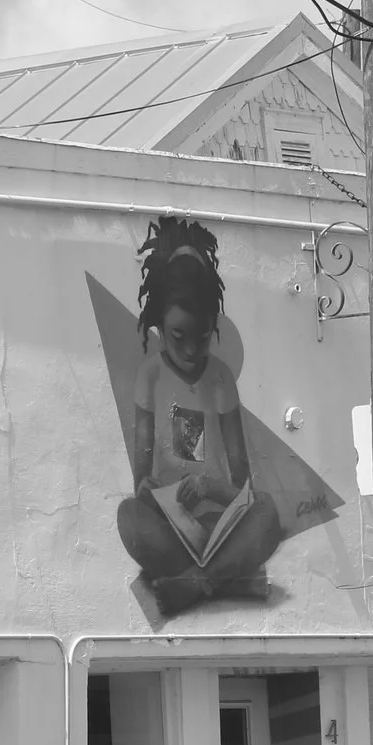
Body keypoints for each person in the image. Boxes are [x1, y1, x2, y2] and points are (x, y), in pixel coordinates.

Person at [115, 217, 283, 615]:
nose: (191, 350)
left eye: (202, 337)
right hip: (172, 529)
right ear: (159, 325)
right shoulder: (150, 375)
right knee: (128, 516)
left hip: (222, 527)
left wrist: (209, 487)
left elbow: (244, 488)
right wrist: (155, 496)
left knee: (267, 515)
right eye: (178, 336)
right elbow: (141, 477)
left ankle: (194, 583)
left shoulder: (221, 378)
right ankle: (227, 578)